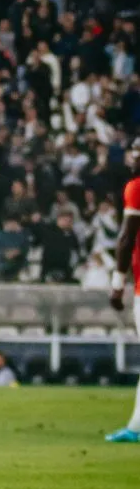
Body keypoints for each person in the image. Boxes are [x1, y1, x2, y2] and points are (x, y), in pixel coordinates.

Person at [106, 140, 140, 443]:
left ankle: (135, 428)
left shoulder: (136, 187)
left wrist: (118, 284)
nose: (131, 157)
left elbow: (127, 238)